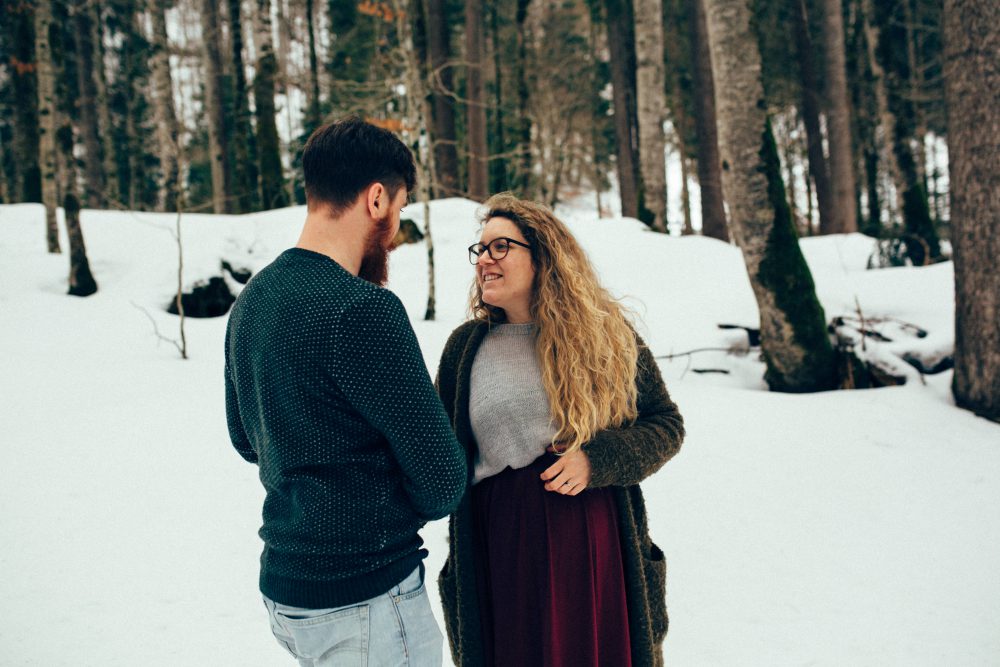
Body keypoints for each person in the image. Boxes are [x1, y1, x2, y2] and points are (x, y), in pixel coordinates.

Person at [225, 116, 467, 667]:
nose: (397, 228)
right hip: (366, 598)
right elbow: (441, 479)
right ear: (376, 198)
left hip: (289, 591)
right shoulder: (361, 309)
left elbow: (246, 438)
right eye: (401, 208)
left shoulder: (253, 300)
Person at [435, 193, 685, 667]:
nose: (484, 259)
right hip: (499, 543)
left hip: (592, 539)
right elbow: (437, 450)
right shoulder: (465, 349)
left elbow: (665, 425)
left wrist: (597, 459)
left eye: (500, 247)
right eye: (480, 249)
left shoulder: (605, 335)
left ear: (543, 254)